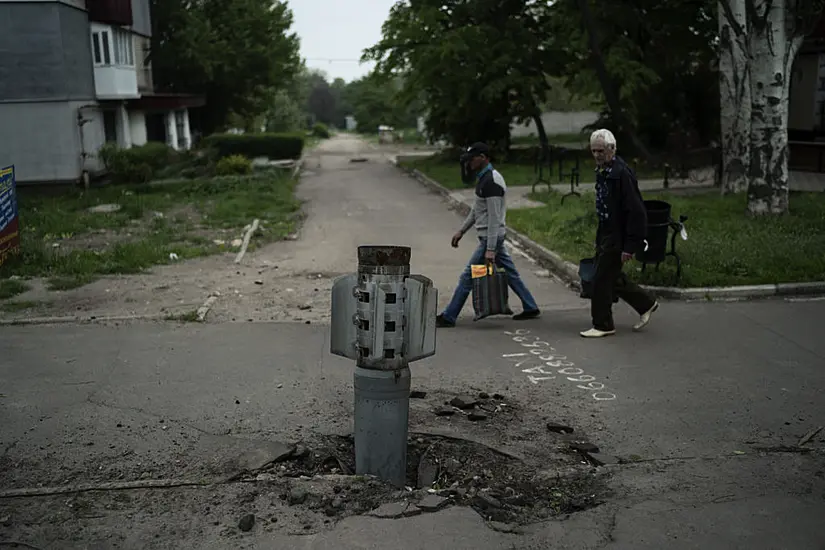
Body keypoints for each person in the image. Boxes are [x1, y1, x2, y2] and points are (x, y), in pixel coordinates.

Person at [436, 142, 540, 328]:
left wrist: (490, 248)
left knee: (467, 277)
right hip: (491, 237)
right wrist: (461, 231)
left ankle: (449, 316)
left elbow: (494, 218)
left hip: (492, 238)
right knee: (510, 273)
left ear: (483, 158)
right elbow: (477, 210)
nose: (468, 163)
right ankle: (530, 306)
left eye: (472, 159)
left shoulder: (492, 181)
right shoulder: (484, 178)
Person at [581, 129, 659, 338]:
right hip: (607, 232)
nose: (597, 155)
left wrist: (630, 245)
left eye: (601, 150)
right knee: (612, 276)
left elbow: (636, 211)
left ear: (612, 149)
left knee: (600, 280)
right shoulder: (604, 171)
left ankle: (603, 325)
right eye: (594, 151)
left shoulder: (621, 174)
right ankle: (646, 304)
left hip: (619, 235)